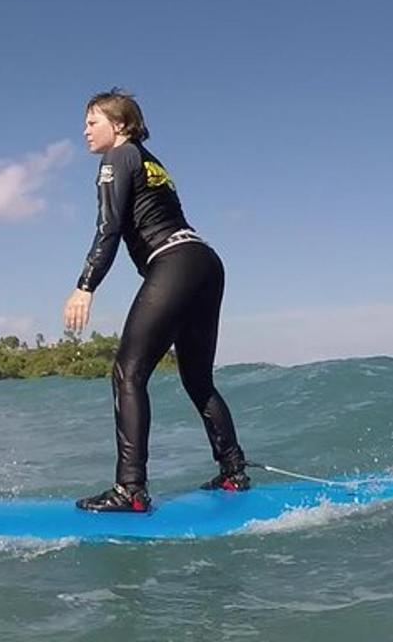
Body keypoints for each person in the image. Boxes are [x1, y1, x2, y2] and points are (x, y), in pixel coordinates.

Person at [64, 89, 248, 512]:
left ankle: (130, 489)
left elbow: (108, 228)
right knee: (198, 380)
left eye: (93, 121)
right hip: (205, 260)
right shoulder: (152, 162)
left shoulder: (119, 157)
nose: (85, 130)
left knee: (128, 373)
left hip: (173, 261)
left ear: (121, 125)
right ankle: (233, 470)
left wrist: (85, 285)